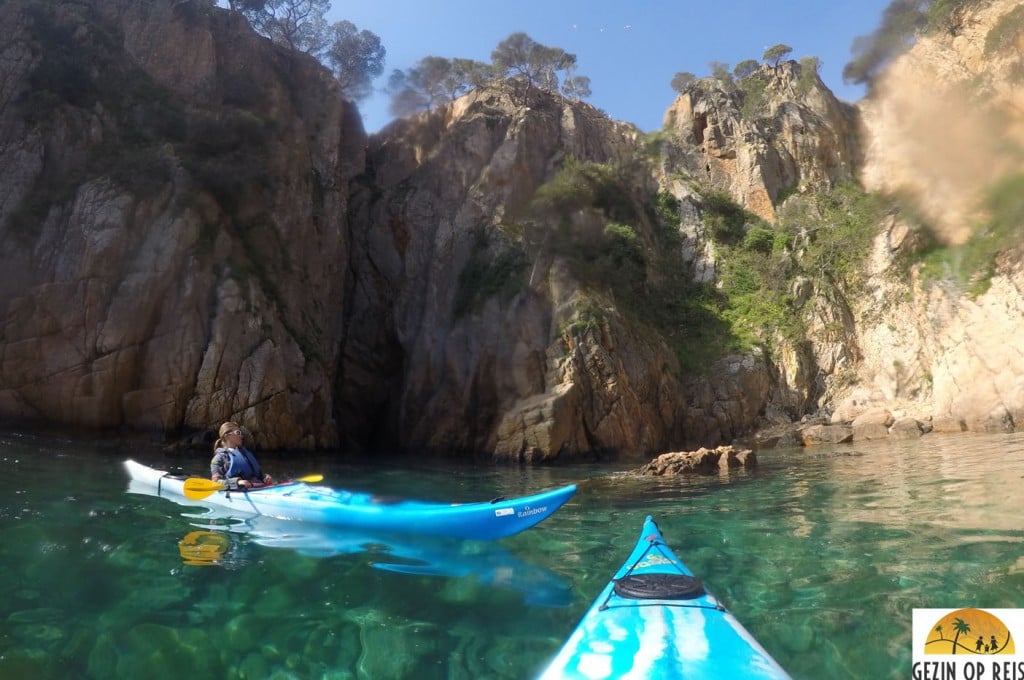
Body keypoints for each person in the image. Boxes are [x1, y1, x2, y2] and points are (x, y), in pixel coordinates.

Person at [210, 422, 273, 490]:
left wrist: (265, 479)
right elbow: (215, 482)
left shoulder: (245, 454)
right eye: (238, 433)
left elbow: (257, 475)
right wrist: (237, 482)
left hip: (257, 489)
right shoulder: (218, 459)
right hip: (238, 493)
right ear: (227, 436)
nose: (241, 436)